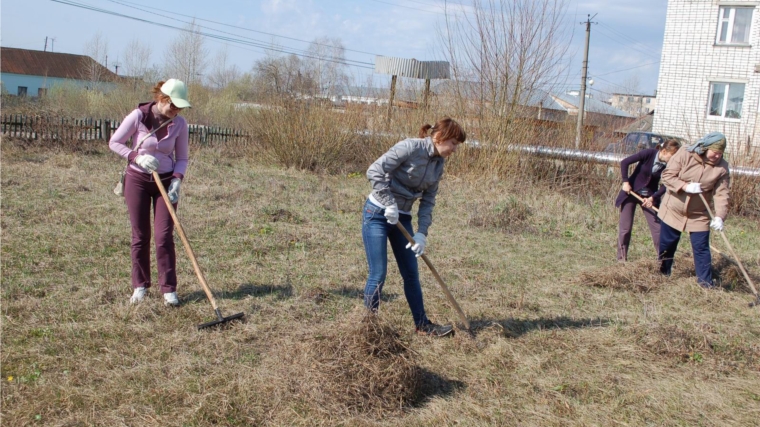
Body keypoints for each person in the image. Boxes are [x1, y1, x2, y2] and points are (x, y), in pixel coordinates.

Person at [363, 117, 466, 337]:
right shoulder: (410, 147)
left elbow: (428, 201)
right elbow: (374, 171)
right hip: (378, 213)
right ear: (440, 137)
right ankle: (367, 328)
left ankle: (422, 326)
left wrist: (421, 233)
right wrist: (389, 203)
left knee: (411, 274)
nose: (455, 149)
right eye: (454, 143)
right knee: (378, 274)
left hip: (404, 218)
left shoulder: (439, 165)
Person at [109, 79, 191, 305]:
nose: (176, 110)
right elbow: (115, 142)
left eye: (180, 107)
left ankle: (168, 289)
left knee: (164, 236)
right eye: (172, 105)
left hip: (165, 182)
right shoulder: (138, 116)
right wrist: (137, 157)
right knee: (141, 235)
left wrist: (177, 180)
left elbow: (182, 158)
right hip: (137, 180)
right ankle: (140, 285)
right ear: (161, 98)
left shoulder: (180, 124)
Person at [658, 132, 730, 288]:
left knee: (701, 248)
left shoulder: (722, 168)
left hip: (698, 214)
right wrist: (685, 186)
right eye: (715, 152)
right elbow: (667, 175)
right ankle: (662, 274)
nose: (717, 156)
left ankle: (705, 284)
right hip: (673, 209)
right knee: (667, 245)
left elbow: (721, 194)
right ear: (705, 147)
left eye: (720, 153)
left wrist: (720, 216)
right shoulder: (686, 153)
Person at [615, 139, 682, 261]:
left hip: (650, 197)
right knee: (625, 228)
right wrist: (625, 181)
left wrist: (653, 197)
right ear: (664, 151)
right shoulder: (649, 153)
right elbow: (625, 162)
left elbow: (667, 184)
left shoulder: (671, 166)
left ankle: (663, 260)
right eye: (672, 156)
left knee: (658, 229)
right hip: (631, 193)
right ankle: (621, 260)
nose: (673, 160)